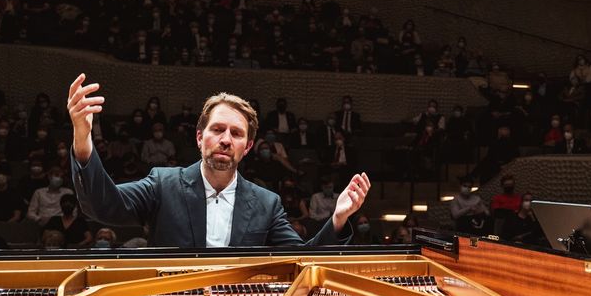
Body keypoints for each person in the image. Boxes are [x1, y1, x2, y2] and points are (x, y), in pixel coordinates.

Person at [66, 75, 370, 248]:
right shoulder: (163, 184)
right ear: (200, 138)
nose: (226, 139)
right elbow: (101, 206)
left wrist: (338, 219)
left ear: (248, 146)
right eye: (217, 129)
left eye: (236, 133)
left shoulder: (267, 204)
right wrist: (83, 140)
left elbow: (301, 261)